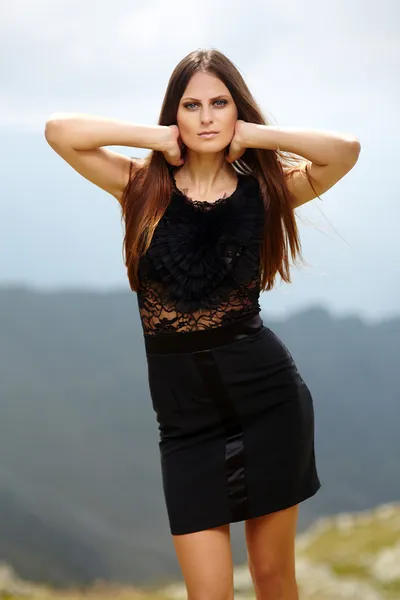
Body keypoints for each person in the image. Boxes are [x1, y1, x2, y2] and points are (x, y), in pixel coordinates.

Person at [45, 48, 360, 600]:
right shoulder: (140, 186)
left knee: (272, 579)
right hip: (186, 426)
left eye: (220, 103)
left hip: (269, 406)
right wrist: (155, 137)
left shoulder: (267, 192)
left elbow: (345, 152)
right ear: (176, 115)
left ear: (238, 111)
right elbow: (58, 131)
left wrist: (256, 137)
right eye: (192, 105)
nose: (207, 117)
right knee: (208, 594)